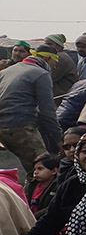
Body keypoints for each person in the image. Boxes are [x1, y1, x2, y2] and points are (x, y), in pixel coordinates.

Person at [0, 41, 63, 177]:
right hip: (21, 127)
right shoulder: (41, 74)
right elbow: (48, 112)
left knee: (31, 170)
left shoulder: (6, 71)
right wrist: (59, 141)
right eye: (55, 62)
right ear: (47, 59)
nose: (55, 66)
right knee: (45, 169)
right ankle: (32, 198)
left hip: (3, 127)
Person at [42, 34, 79, 104]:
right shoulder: (58, 57)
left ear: (59, 46)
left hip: (59, 99)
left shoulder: (60, 58)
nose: (46, 47)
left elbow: (47, 79)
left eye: (49, 44)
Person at [25, 153, 59, 218]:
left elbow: (51, 208)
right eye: (34, 169)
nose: (35, 172)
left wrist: (33, 217)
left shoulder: (57, 187)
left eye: (40, 169)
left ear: (54, 171)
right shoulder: (30, 185)